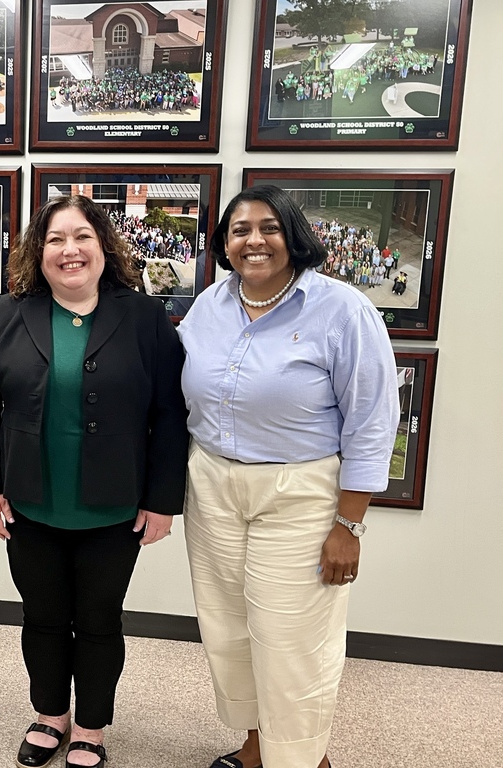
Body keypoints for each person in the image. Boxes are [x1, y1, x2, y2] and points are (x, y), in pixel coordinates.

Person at [0, 196, 189, 768]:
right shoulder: (8, 313)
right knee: (40, 618)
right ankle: (48, 716)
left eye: (82, 236)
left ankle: (90, 725)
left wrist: (162, 501)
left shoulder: (143, 317)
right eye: (56, 239)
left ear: (102, 246)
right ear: (38, 252)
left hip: (113, 508)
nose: (70, 250)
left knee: (98, 621)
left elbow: (170, 414)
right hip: (30, 504)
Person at [177, 185, 398, 768]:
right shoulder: (209, 306)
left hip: (299, 494)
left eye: (269, 227)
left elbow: (372, 422)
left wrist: (348, 524)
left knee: (292, 641)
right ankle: (254, 746)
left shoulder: (342, 309)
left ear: (293, 235)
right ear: (224, 244)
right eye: (240, 229)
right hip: (211, 487)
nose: (254, 240)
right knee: (228, 630)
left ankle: (302, 759)